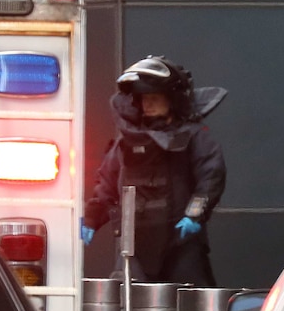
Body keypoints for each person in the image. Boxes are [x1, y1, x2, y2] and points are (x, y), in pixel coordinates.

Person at [82, 55, 227, 286]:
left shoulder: (193, 136)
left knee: (189, 307)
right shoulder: (126, 141)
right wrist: (91, 218)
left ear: (172, 99)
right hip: (134, 249)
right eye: (143, 99)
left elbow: (211, 176)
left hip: (181, 243)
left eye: (154, 98)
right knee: (130, 305)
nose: (147, 104)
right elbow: (107, 185)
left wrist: (194, 214)